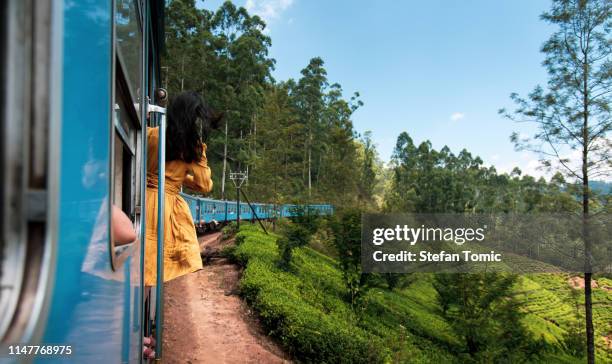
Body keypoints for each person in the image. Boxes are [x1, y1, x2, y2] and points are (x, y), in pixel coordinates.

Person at [144, 91, 222, 286]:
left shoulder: (151, 134)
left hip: (138, 197)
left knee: (139, 260)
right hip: (163, 206)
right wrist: (180, 178)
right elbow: (204, 185)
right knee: (152, 269)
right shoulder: (192, 147)